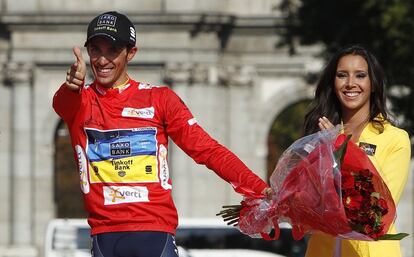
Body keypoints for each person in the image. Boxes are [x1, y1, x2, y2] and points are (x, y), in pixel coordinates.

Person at [52, 11, 272, 257]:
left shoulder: (160, 99)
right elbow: (61, 104)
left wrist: (259, 189)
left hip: (154, 232)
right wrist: (71, 86)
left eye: (112, 50)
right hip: (104, 235)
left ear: (131, 53)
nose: (102, 60)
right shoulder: (80, 101)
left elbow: (207, 150)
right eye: (95, 50)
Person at [303, 45, 411, 257]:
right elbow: (306, 198)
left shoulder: (396, 139)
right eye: (342, 75)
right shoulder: (319, 133)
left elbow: (380, 210)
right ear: (333, 83)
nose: (350, 83)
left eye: (360, 75)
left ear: (373, 84)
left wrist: (341, 148)